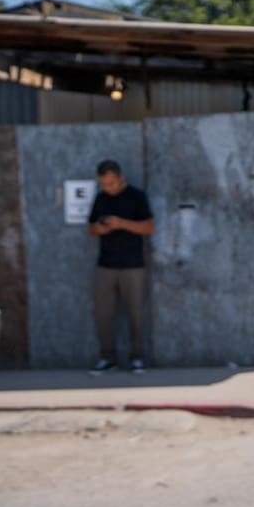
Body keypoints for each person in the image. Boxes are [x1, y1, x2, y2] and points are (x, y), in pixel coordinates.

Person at [86, 159, 154, 374]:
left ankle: (137, 357)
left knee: (135, 313)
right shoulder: (101, 198)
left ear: (120, 178)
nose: (108, 188)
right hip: (106, 265)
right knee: (103, 314)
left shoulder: (136, 196)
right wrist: (101, 229)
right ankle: (107, 357)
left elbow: (148, 227)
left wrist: (121, 223)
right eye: (104, 184)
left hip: (133, 265)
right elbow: (91, 228)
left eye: (111, 183)